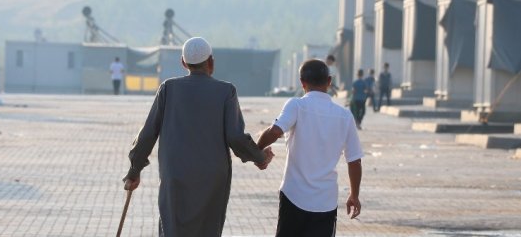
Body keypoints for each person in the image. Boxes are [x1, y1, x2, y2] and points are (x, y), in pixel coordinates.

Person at [122, 37, 274, 237]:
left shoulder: (168, 89)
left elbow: (148, 133)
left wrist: (135, 170)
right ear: (211, 61)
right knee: (208, 228)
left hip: (175, 174)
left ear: (183, 62)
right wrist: (260, 158)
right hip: (212, 178)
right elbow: (235, 137)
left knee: (172, 228)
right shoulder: (226, 91)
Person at [256, 59, 363, 237]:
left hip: (293, 196)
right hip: (325, 201)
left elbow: (275, 131)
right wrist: (354, 195)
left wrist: (257, 151)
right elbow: (354, 160)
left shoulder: (296, 105)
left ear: (302, 82)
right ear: (329, 82)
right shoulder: (345, 116)